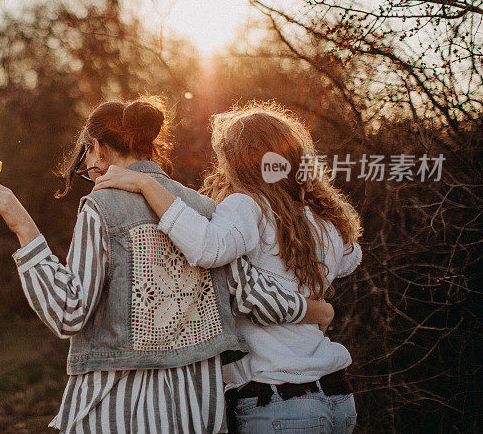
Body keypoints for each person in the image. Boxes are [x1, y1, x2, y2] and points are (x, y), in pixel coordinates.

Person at [0, 98, 334, 433]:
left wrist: (23, 225)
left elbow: (69, 312)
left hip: (119, 410)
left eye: (86, 160)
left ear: (98, 149)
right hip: (197, 411)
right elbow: (254, 294)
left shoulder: (101, 206)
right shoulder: (204, 208)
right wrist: (317, 309)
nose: (89, 171)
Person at [93, 101, 362, 433]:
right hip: (337, 395)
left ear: (238, 163)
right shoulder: (322, 217)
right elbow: (351, 259)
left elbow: (206, 247)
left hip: (277, 396)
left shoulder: (247, 206)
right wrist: (313, 300)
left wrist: (148, 185)